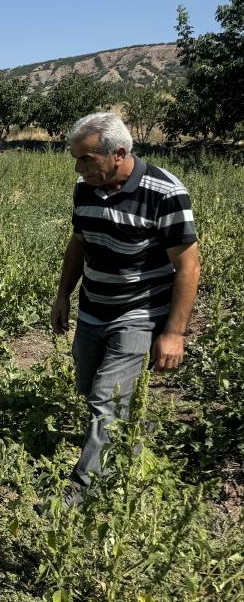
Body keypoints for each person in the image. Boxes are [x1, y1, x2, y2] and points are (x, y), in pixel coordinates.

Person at [51, 112, 199, 500]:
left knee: (106, 395)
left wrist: (173, 333)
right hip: (93, 307)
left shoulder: (164, 193)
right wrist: (63, 295)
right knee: (88, 386)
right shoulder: (85, 188)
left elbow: (188, 265)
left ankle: (82, 492)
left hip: (139, 311)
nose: (80, 169)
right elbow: (79, 243)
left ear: (118, 153)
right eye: (76, 160)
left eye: (87, 159)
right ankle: (129, 444)